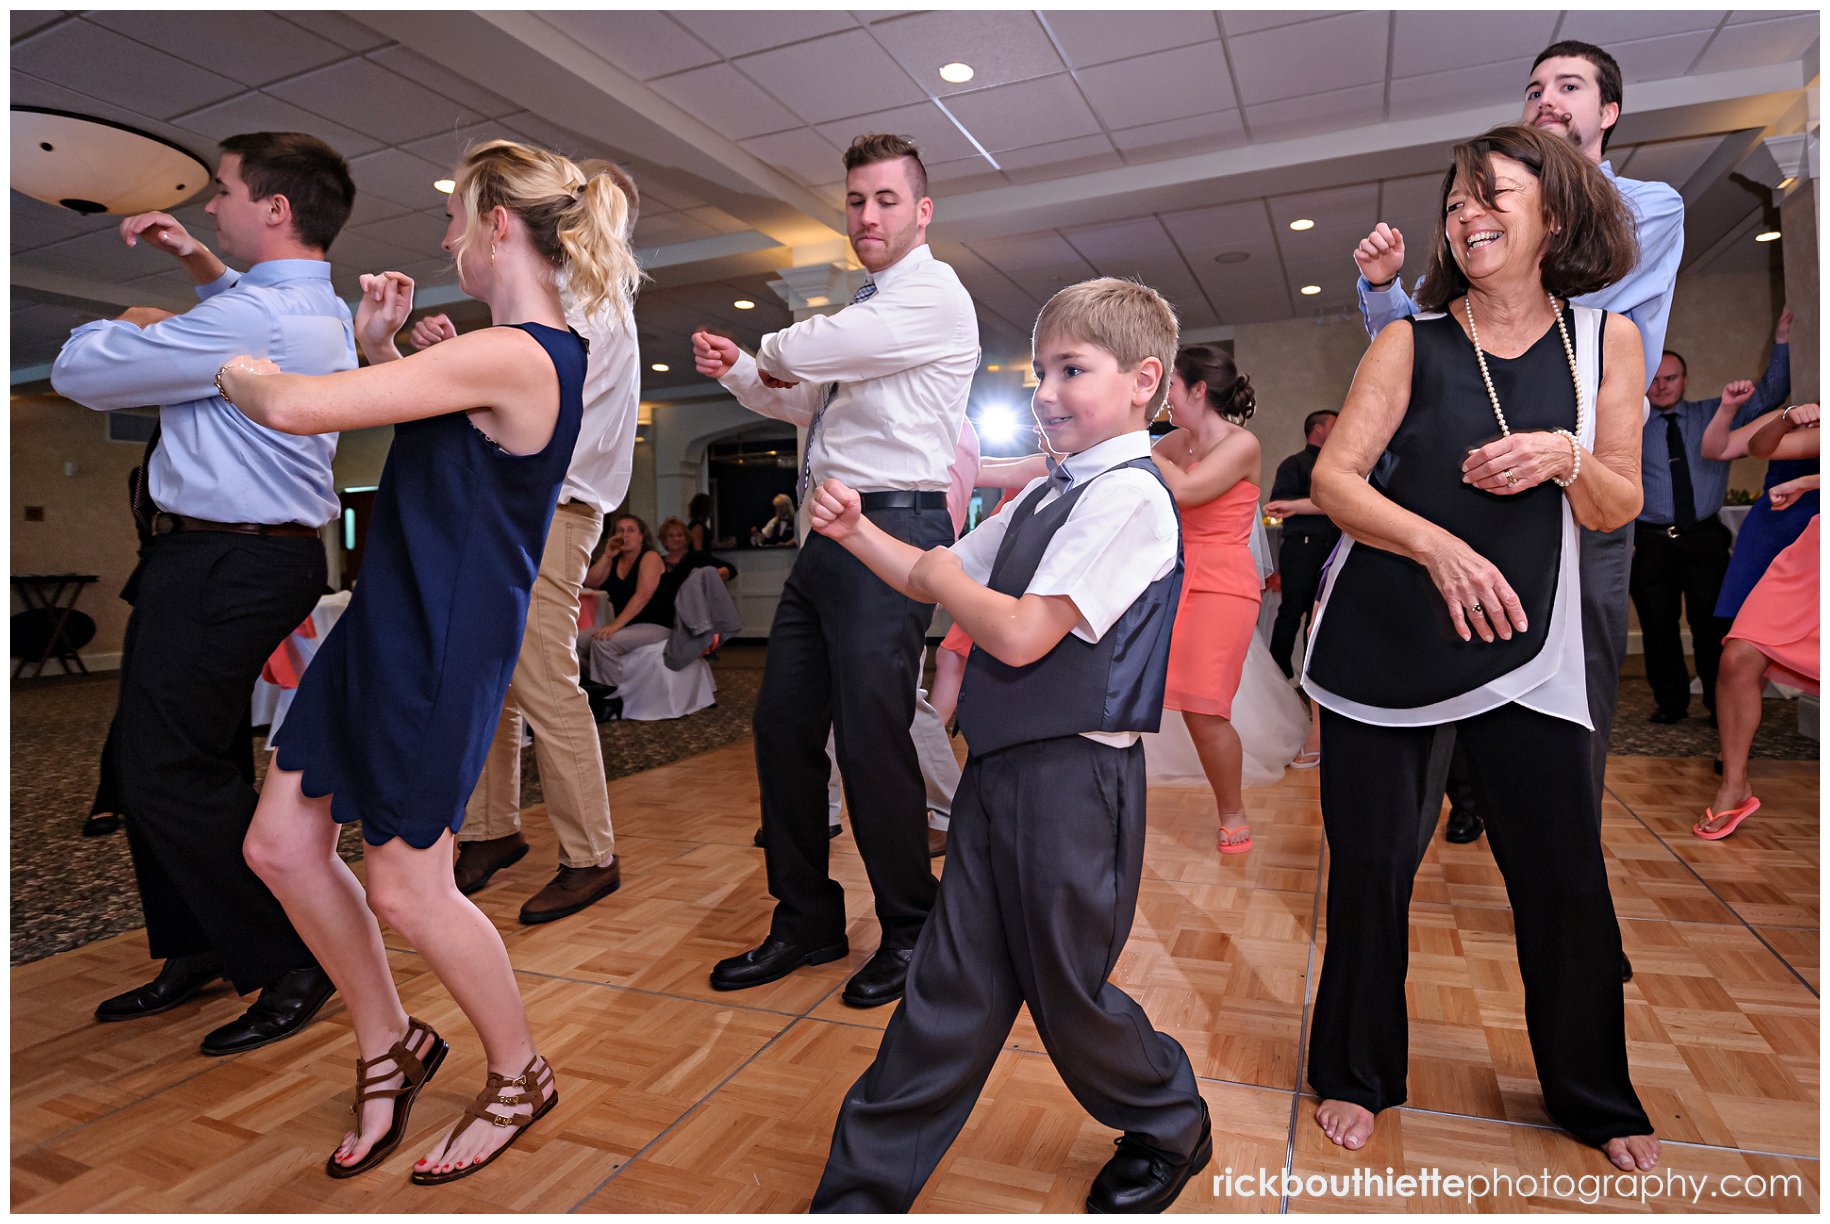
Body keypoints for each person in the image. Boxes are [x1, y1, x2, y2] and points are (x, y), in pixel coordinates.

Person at [226, 138, 639, 1183]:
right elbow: (432, 446)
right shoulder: (500, 352)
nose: (449, 235)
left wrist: (240, 362)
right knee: (279, 845)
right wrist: (377, 352)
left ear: (500, 222)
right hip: (385, 624)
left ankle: (518, 1073)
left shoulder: (527, 349)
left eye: (460, 217)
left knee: (409, 889)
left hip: (440, 645)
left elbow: (288, 406)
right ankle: (391, 1043)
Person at [810, 277, 1209, 1214]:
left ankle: (1170, 1119)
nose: (1046, 391)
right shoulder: (1041, 499)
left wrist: (946, 570)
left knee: (1068, 994)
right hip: (997, 777)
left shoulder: (1131, 499)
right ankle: (863, 1189)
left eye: (1073, 369)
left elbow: (1023, 633)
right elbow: (929, 575)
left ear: (1143, 380)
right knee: (948, 988)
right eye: (1040, 372)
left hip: (1075, 784)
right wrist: (859, 529)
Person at [1302, 124, 1658, 1170]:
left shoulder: (1607, 345)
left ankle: (1594, 1093)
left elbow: (1618, 503)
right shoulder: (1409, 339)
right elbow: (1336, 481)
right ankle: (1358, 1073)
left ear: (1554, 214)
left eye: (1491, 195)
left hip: (1530, 644)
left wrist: (1565, 455)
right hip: (1388, 639)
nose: (1466, 215)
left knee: (1563, 877)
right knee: (1370, 870)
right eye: (1456, 201)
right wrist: (1438, 548)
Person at [52, 131, 356, 1056]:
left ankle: (289, 959)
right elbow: (240, 305)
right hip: (227, 557)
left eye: (221, 192)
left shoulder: (252, 323)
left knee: (160, 770)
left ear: (273, 208)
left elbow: (76, 371)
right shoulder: (295, 304)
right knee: (194, 762)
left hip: (228, 562)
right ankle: (200, 946)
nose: (207, 205)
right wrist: (200, 265)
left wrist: (140, 321)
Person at [1351, 40, 1685, 876]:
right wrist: (1393, 295)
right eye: (1535, 88)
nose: (1546, 99)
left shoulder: (1649, 206)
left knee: (1579, 681)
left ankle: (1570, 872)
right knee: (1455, 638)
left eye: (1570, 88)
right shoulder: (1489, 220)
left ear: (1608, 111)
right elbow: (1444, 345)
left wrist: (1524, 223)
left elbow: (1548, 305)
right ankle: (1460, 809)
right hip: (1482, 469)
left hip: (1587, 472)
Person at [691, 133, 977, 1008]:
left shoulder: (930, 294)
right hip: (829, 533)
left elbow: (810, 354)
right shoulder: (871, 309)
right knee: (782, 729)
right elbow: (806, 399)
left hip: (892, 527)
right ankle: (806, 919)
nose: (867, 216)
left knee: (870, 741)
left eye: (886, 200)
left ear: (922, 211)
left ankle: (910, 928)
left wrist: (771, 348)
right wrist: (743, 368)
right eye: (856, 201)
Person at [413, 158, 642, 926]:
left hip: (554, 508)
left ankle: (592, 856)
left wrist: (435, 370)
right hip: (544, 505)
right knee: (500, 673)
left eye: (460, 220)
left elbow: (525, 420)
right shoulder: (578, 297)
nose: (454, 237)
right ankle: (490, 829)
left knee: (542, 678)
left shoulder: (573, 300)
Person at [1151, 343, 1264, 852]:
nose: (1165, 396)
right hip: (1167, 576)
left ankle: (1232, 809)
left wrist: (1143, 451)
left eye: (1171, 385)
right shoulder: (1175, 442)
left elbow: (1187, 494)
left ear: (1197, 389)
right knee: (1139, 694)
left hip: (1221, 583)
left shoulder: (1241, 445)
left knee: (1204, 707)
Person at [1630, 344, 1770, 724]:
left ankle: (1716, 704)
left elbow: (1770, 398)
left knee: (1712, 626)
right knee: (1658, 626)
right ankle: (1670, 704)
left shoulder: (1713, 413)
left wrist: (1785, 345)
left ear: (1685, 380)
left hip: (1704, 538)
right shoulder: (1630, 425)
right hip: (1650, 541)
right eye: (1654, 380)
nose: (1661, 387)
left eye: (1670, 378)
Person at [1700, 402, 1819, 839]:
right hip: (1813, 552)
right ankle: (1734, 784)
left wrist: (1809, 480)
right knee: (1738, 656)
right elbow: (1761, 447)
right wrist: (1787, 417)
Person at [1703, 309, 1807, 620]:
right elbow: (1716, 449)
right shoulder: (1792, 415)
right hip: (1775, 525)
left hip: (1810, 526)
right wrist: (1726, 408)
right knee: (1754, 625)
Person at [1264, 409, 1340, 685]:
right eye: (1335, 423)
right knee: (1292, 611)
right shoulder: (1294, 464)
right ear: (1318, 429)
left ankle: (1313, 680)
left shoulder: (1338, 466)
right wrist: (1314, 506)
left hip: (1330, 548)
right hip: (1301, 549)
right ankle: (1278, 676)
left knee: (1320, 616)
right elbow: (1277, 506)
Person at [580, 513, 667, 691]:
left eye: (631, 530)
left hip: (656, 625)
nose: (625, 535)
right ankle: (594, 689)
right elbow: (590, 582)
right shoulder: (615, 560)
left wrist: (614, 626)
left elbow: (643, 596)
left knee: (603, 642)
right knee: (576, 640)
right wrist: (607, 555)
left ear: (641, 536)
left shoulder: (650, 557)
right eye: (620, 530)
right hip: (628, 626)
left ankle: (612, 696)